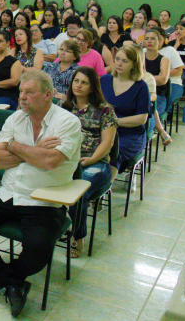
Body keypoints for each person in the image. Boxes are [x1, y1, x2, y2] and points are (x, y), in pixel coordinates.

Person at [0, 70, 82, 317]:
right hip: (10, 192)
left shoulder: (67, 122)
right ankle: (12, 281)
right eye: (21, 92)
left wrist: (14, 147)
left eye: (29, 92)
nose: (22, 97)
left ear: (47, 95)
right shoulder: (15, 119)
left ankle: (4, 278)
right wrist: (33, 150)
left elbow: (50, 161)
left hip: (45, 198)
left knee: (38, 249)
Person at [63, 67, 118, 256]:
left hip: (96, 164)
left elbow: (108, 142)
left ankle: (78, 238)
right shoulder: (65, 107)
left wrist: (91, 159)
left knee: (78, 193)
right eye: (76, 81)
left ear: (93, 86)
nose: (78, 85)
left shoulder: (105, 110)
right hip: (67, 160)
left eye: (84, 82)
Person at [100, 46, 150, 172]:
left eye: (125, 61)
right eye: (117, 59)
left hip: (129, 134)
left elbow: (142, 118)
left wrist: (113, 121)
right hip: (103, 130)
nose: (119, 64)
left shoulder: (141, 86)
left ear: (134, 64)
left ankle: (105, 188)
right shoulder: (104, 80)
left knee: (112, 151)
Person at [143, 29, 171, 143]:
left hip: (159, 96)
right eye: (147, 38)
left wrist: (144, 78)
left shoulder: (164, 59)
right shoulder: (139, 57)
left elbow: (163, 80)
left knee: (148, 113)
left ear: (159, 41)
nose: (149, 41)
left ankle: (146, 140)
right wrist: (154, 78)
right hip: (141, 94)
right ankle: (161, 131)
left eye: (153, 38)